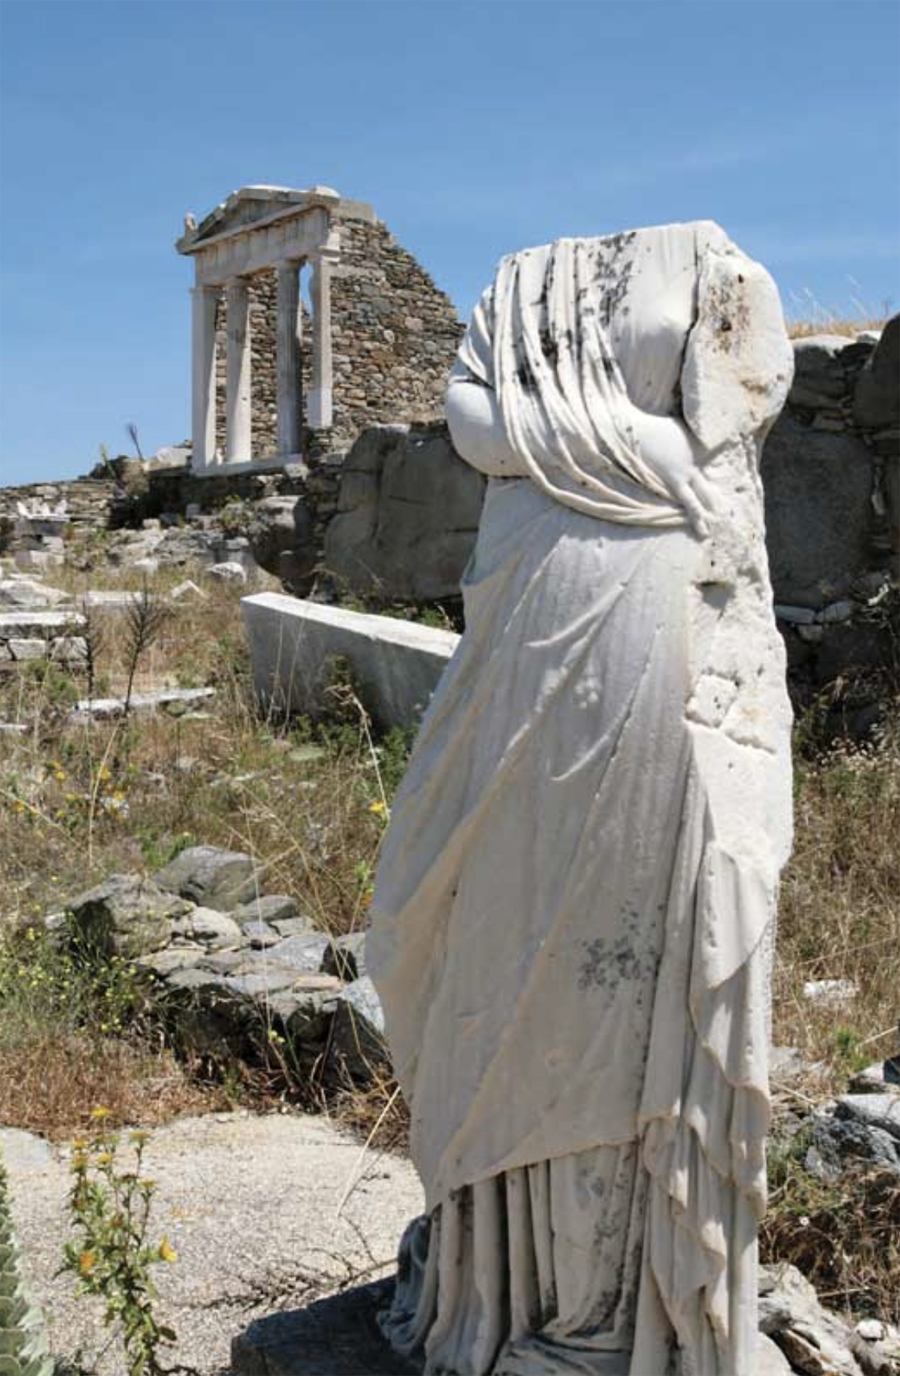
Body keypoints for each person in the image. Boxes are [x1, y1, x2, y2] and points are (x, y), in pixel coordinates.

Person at [366, 220, 795, 1376]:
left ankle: (612, 1301)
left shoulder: (715, 267)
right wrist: (630, 443)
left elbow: (728, 428)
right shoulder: (513, 287)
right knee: (476, 942)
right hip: (521, 625)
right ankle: (504, 1281)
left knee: (631, 949)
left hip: (655, 620)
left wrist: (551, 440)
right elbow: (472, 420)